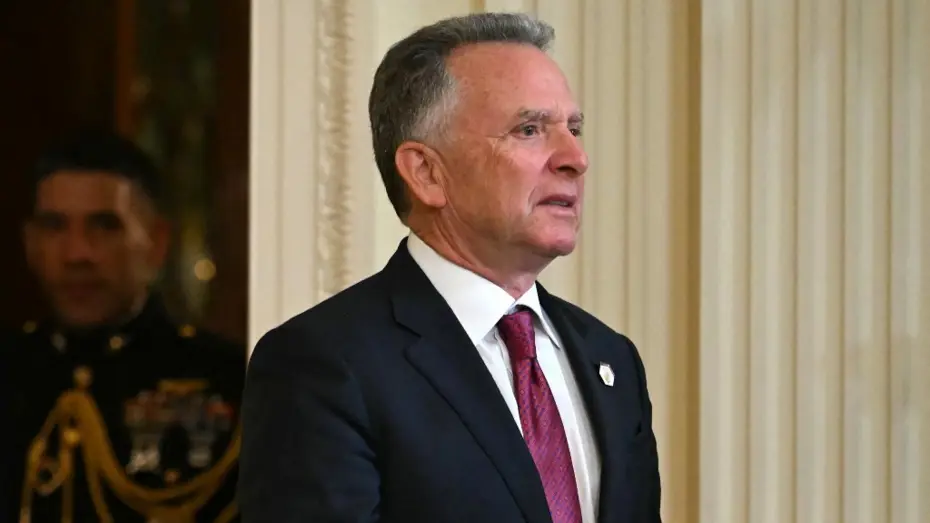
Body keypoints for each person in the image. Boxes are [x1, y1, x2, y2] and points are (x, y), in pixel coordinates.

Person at [239, 12, 661, 523]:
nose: (575, 158)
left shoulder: (611, 358)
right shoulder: (324, 365)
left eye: (574, 129)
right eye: (529, 130)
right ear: (426, 173)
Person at [2, 130, 245, 523]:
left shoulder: (228, 380)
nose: (77, 253)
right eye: (55, 226)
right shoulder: (11, 371)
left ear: (156, 242)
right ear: (30, 243)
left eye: (104, 226)